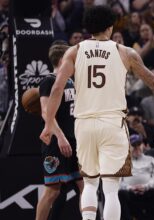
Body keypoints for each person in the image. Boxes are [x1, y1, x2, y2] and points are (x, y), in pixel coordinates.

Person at [39, 6, 154, 220]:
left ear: (88, 27)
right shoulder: (125, 52)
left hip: (84, 125)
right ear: (110, 26)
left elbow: (57, 88)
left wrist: (49, 123)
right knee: (111, 189)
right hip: (112, 124)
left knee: (88, 183)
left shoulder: (74, 51)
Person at [36, 42, 84, 220]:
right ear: (65, 60)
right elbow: (45, 112)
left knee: (84, 186)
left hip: (75, 140)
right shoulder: (49, 80)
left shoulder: (70, 81)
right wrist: (61, 137)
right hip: (57, 141)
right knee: (52, 191)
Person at [118, 134, 154, 220]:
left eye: (139, 144)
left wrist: (145, 187)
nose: (137, 147)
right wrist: (130, 188)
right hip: (131, 194)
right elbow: (118, 182)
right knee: (121, 194)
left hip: (148, 192)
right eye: (133, 145)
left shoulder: (152, 160)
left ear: (143, 145)